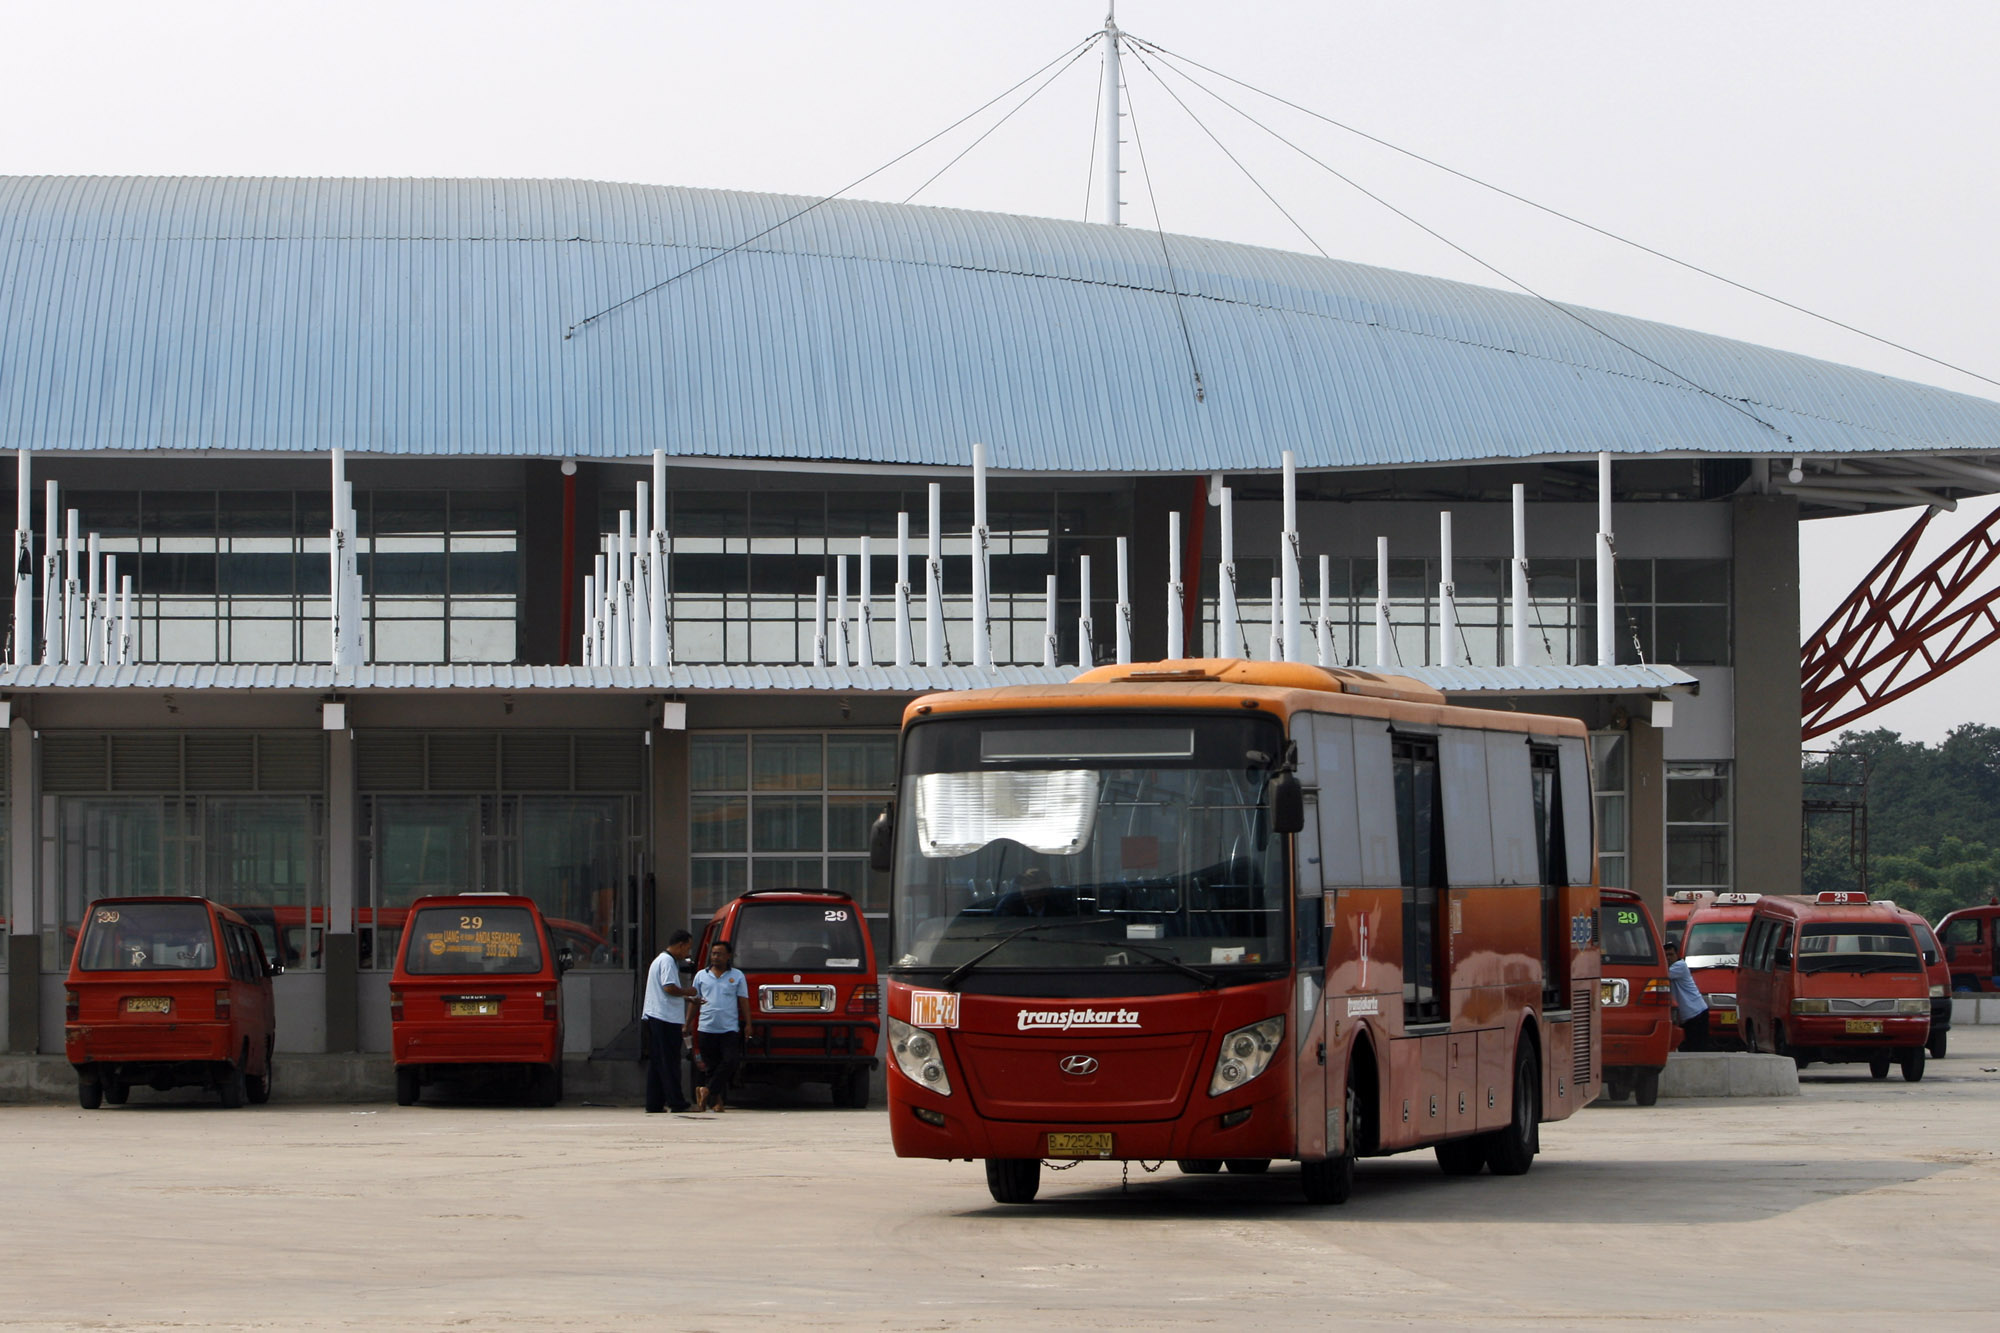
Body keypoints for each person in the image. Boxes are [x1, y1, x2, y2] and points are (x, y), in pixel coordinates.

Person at [687, 939, 752, 1113]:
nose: (716, 957)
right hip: (706, 1028)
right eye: (714, 953)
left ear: (728, 956)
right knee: (712, 1067)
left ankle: (706, 1090)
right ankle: (716, 1102)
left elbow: (743, 1001)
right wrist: (687, 1023)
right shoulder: (701, 975)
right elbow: (694, 1001)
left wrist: (748, 1024)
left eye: (720, 954)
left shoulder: (737, 976)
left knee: (730, 1061)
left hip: (729, 1028)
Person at [641, 929, 697, 1114]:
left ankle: (654, 1103)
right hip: (665, 1018)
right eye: (687, 948)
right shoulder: (667, 961)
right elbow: (669, 987)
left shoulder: (661, 960)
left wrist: (690, 1000)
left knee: (658, 1062)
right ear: (680, 945)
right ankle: (677, 1102)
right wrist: (688, 992)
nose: (687, 953)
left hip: (656, 1015)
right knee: (670, 1062)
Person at [1665, 940, 1711, 1052]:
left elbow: (1663, 975)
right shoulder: (1673, 968)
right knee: (1689, 1048)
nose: (1668, 958)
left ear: (1677, 955)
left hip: (1697, 1014)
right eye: (1665, 955)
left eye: (1671, 955)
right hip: (1689, 1017)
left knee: (1697, 1049)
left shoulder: (1680, 966)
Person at [993, 866, 1076, 918]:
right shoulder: (1010, 909)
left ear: (1045, 889)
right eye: (1023, 884)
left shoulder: (1060, 911)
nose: (1025, 889)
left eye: (1031, 884)